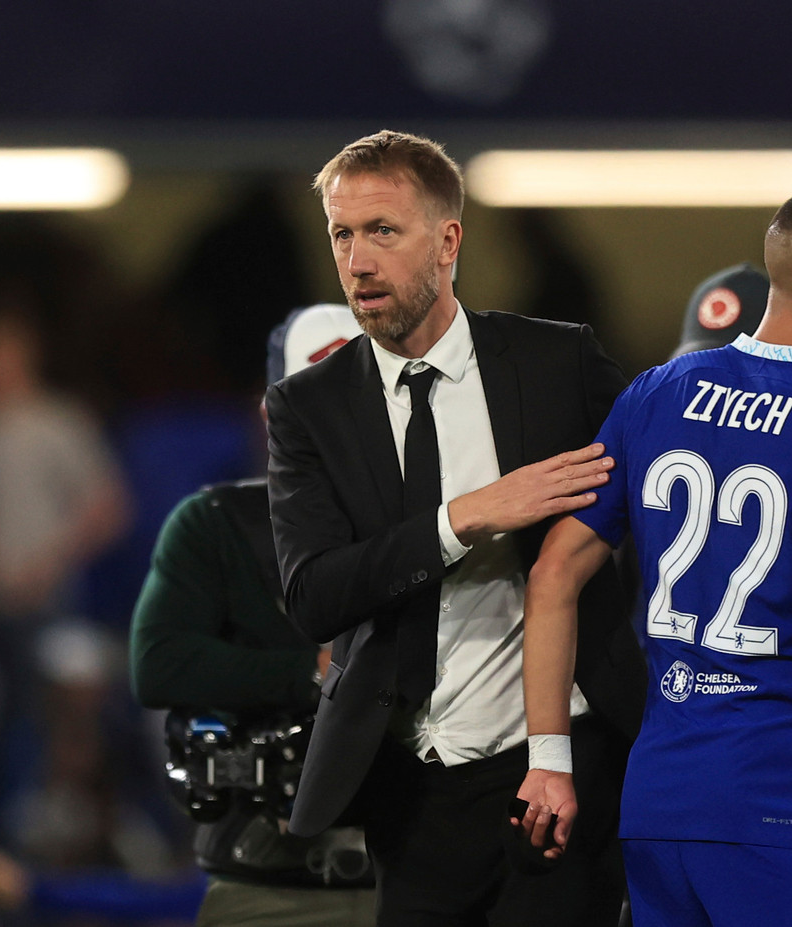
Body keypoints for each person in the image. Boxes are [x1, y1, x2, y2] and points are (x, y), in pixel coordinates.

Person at [517, 188, 792, 927]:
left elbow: (553, 573)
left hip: (661, 806)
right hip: (787, 806)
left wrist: (548, 758)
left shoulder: (655, 392)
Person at [264, 129, 645, 926]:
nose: (357, 261)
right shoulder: (308, 407)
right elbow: (314, 596)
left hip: (559, 764)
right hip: (409, 790)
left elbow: (662, 505)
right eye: (341, 234)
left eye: (382, 231)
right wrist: (463, 517)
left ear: (448, 242)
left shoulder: (556, 365)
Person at [129, 303, 375, 926]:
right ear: (270, 413)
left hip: (410, 878)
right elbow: (157, 666)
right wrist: (310, 671)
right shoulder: (214, 525)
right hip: (266, 878)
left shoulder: (436, 523)